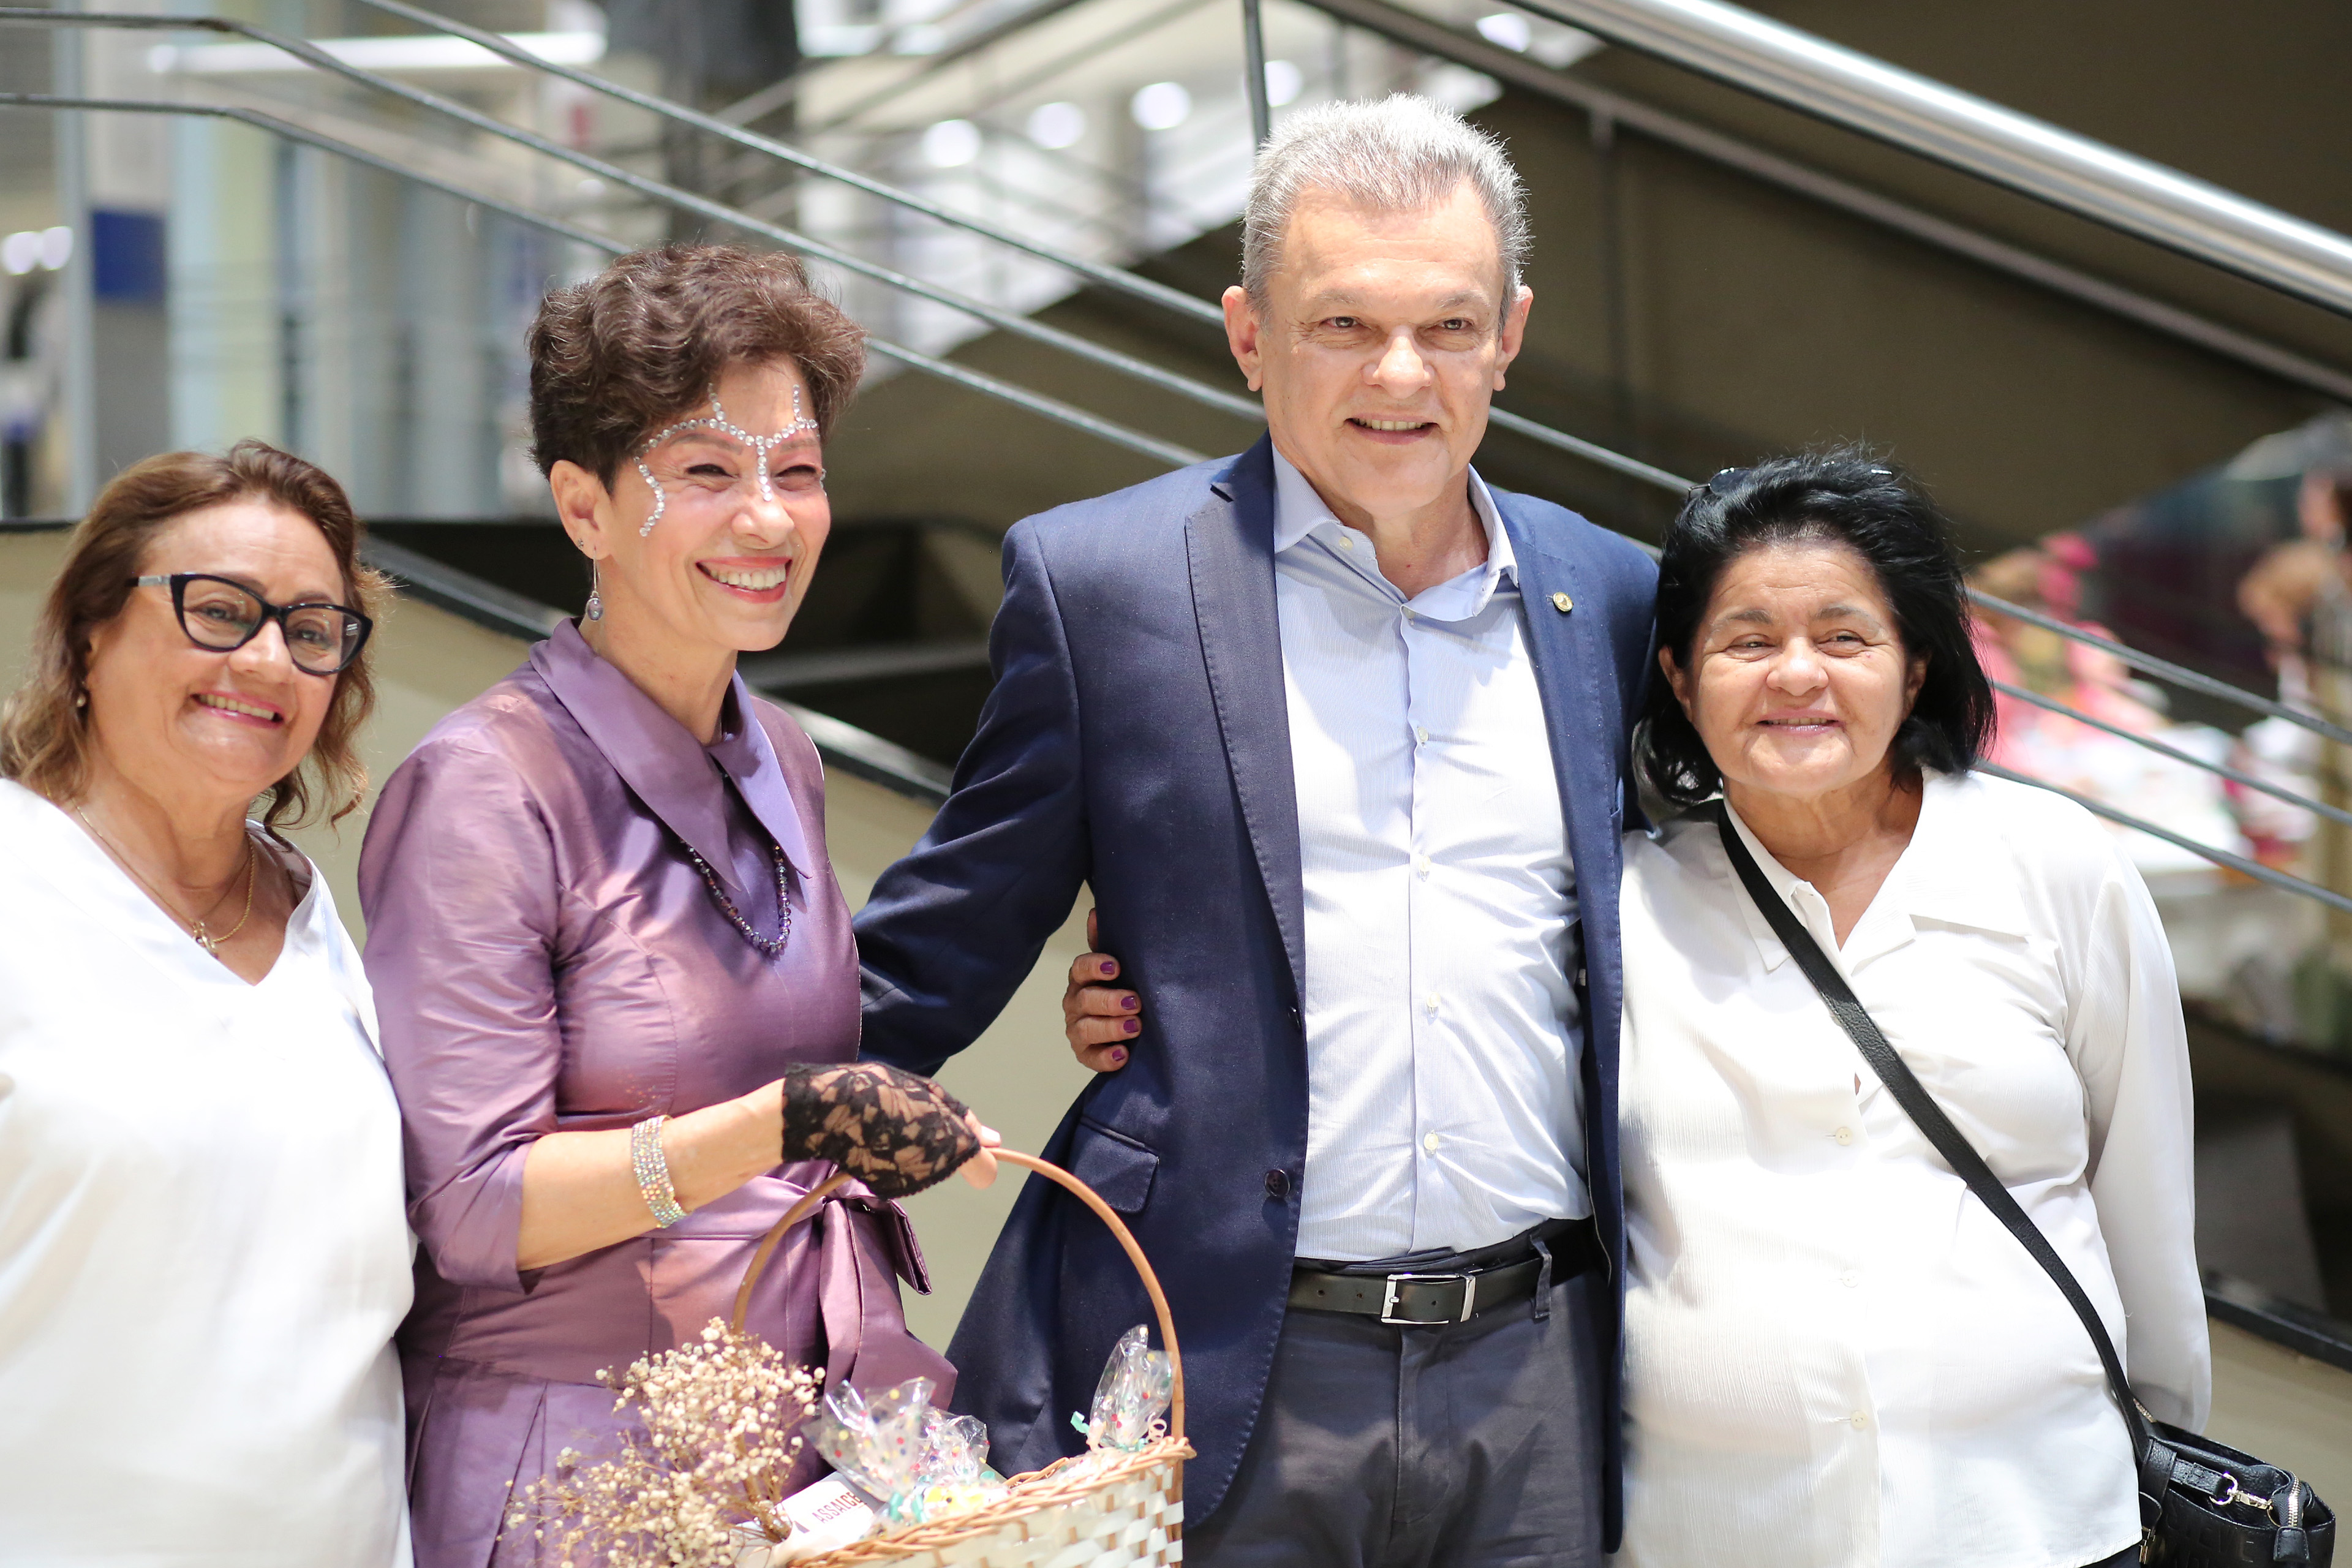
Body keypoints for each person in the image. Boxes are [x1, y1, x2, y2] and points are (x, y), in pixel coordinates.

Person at [854, 96, 1658, 1564]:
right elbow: (928, 955)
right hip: (1227, 1361)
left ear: (1511, 335)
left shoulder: (1608, 594)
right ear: (1248, 333)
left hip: (1542, 1367)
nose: (1401, 375)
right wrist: (698, 1145)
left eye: (1449, 326)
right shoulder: (1106, 585)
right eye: (1343, 323)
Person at [358, 244, 995, 1568]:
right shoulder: (485, 785)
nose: (768, 518)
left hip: (788, 1445)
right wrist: (789, 1122)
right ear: (584, 506)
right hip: (573, 1470)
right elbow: (472, 1207)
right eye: (707, 472)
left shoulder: (787, 754)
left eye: (797, 471)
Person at [1616, 451, 2207, 1568]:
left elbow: (2146, 1206)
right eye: (1748, 641)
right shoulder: (1625, 908)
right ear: (1682, 682)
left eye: (1845, 638)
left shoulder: (2054, 866)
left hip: (2044, 1526)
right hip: (1715, 1534)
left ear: (1916, 665)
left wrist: (2164, 1449)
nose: (1798, 674)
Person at [0, 443, 411, 1564]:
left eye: (313, 630)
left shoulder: (317, 915)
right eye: (219, 611)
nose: (269, 659)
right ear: (90, 632)